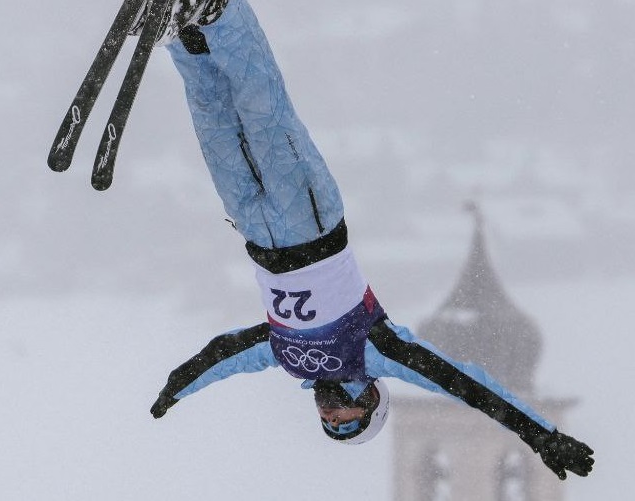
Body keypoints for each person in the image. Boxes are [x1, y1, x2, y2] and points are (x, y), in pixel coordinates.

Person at [132, 0, 594, 479]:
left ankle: (183, 35)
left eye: (329, 423)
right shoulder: (377, 351)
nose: (332, 415)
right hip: (310, 219)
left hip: (254, 228)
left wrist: (177, 386)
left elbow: (225, 355)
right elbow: (466, 386)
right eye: (346, 421)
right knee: (262, 111)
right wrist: (541, 434)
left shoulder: (290, 359)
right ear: (370, 402)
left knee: (216, 123)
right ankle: (221, 14)